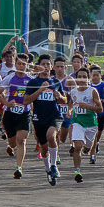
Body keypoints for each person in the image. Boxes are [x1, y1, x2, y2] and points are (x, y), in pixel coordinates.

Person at [23, 54, 66, 185]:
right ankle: (48, 170)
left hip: (54, 116)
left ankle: (54, 165)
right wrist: (40, 90)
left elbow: (64, 100)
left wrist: (59, 96)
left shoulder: (56, 82)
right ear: (38, 66)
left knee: (51, 136)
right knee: (44, 148)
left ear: (51, 66)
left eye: (48, 64)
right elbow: (26, 101)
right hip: (38, 118)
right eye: (43, 64)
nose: (46, 67)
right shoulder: (33, 82)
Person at [0, 53, 32, 179]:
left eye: (24, 64)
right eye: (19, 64)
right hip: (10, 114)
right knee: (13, 143)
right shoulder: (10, 78)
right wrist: (6, 103)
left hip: (24, 113)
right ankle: (9, 145)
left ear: (27, 65)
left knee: (21, 140)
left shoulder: (30, 80)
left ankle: (19, 168)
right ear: (15, 64)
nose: (21, 66)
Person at [68, 67, 103, 183]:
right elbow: (71, 103)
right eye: (80, 77)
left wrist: (87, 106)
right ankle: (77, 171)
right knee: (77, 146)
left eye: (84, 77)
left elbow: (100, 109)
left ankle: (89, 148)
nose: (82, 79)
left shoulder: (92, 91)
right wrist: (69, 111)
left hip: (91, 124)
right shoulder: (73, 91)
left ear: (88, 79)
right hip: (78, 122)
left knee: (87, 147)